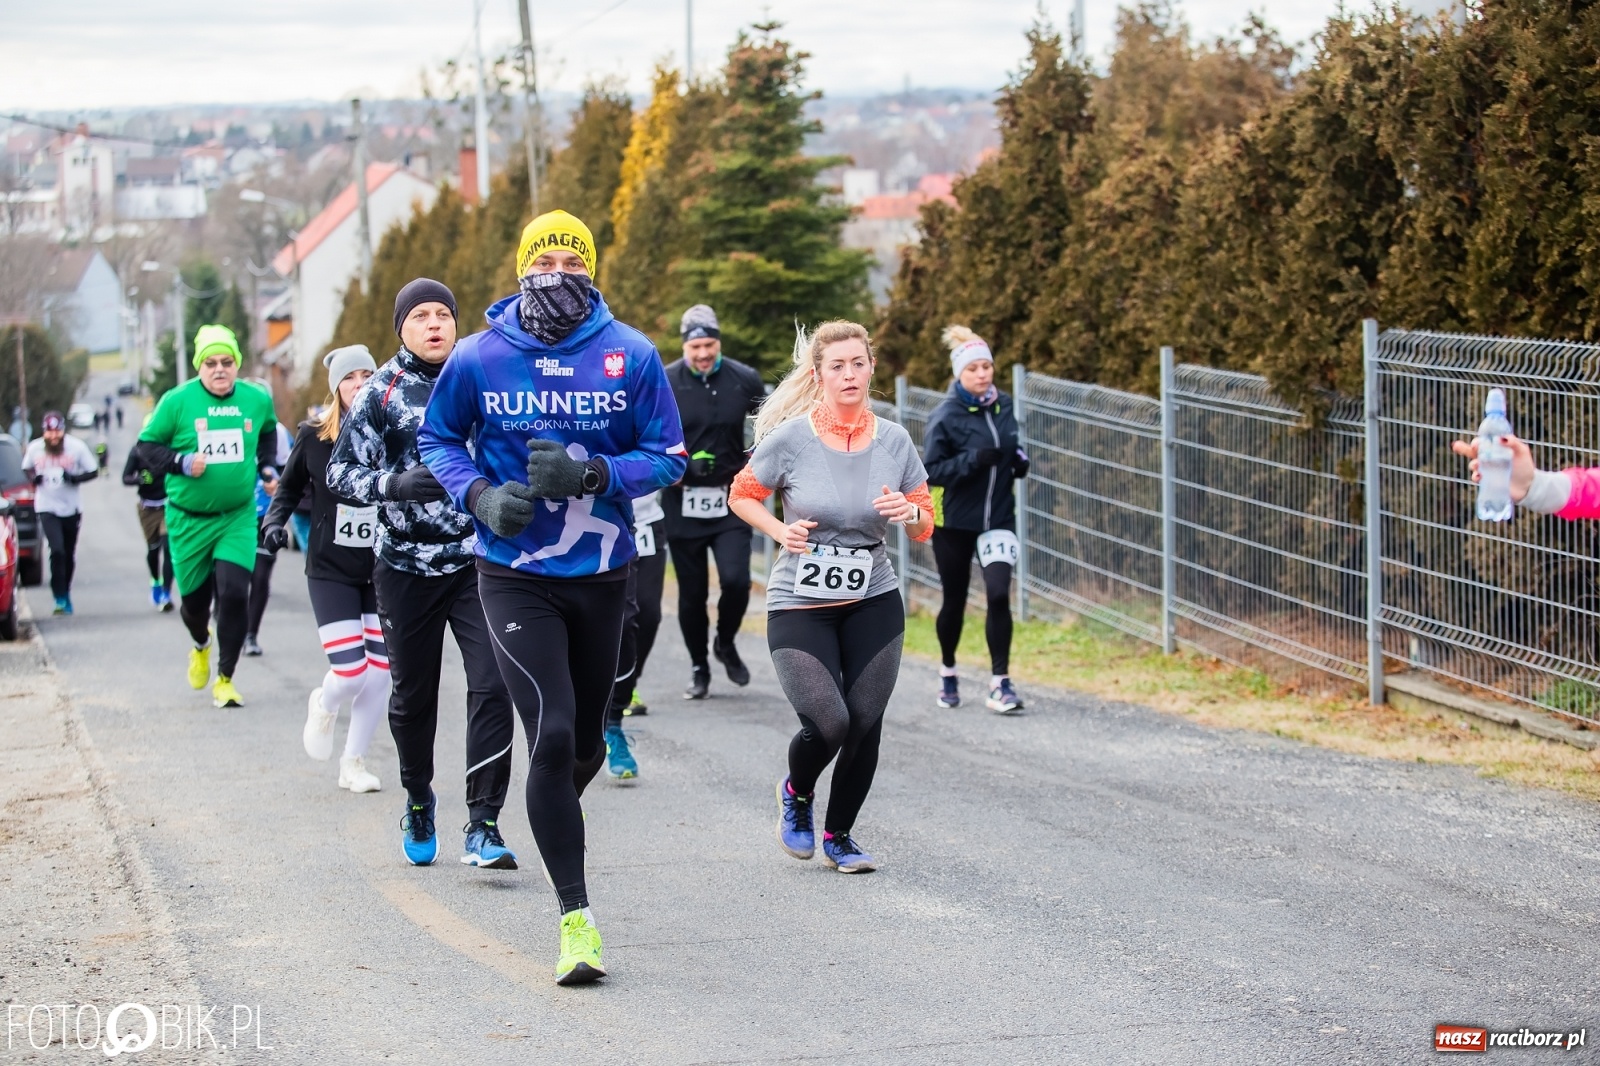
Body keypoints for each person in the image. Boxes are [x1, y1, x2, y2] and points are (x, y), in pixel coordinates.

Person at [418, 209, 686, 986]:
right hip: (511, 571)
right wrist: (476, 497)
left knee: (589, 745)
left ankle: (546, 811)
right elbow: (439, 438)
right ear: (522, 269)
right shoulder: (478, 357)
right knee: (555, 728)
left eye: (574, 260)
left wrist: (599, 476)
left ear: (591, 269)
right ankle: (577, 921)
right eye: (546, 260)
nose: (560, 272)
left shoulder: (629, 353)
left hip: (603, 571)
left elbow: (666, 456)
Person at [728, 321, 934, 875]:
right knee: (831, 721)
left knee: (866, 720)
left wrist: (911, 514)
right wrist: (780, 532)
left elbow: (925, 522)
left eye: (858, 364)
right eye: (837, 366)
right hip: (800, 598)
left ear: (871, 369)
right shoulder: (792, 438)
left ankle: (839, 837)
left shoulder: (894, 440)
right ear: (818, 376)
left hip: (873, 592)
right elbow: (742, 495)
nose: (849, 374)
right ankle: (796, 791)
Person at [327, 278, 518, 871]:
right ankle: (417, 797)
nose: (435, 324)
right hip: (405, 563)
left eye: (444, 314)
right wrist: (392, 485)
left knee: (493, 685)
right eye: (421, 317)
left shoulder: (483, 377)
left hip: (476, 560)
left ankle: (483, 823)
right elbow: (339, 475)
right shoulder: (380, 393)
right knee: (413, 698)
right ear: (401, 328)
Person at [263, 345, 388, 794]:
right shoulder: (315, 435)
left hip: (381, 568)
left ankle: (352, 762)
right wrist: (274, 523)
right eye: (350, 377)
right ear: (336, 386)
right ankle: (325, 700)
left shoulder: (394, 433)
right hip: (331, 570)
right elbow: (288, 487)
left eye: (367, 375)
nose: (360, 384)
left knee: (381, 672)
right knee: (352, 672)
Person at [136, 325, 278, 708]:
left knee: (234, 593)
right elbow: (146, 446)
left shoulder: (255, 399)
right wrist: (180, 462)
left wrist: (267, 469)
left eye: (227, 362)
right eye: (211, 363)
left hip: (237, 516)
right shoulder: (177, 401)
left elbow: (267, 434)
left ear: (237, 364)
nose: (219, 369)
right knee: (194, 606)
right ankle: (200, 643)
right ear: (200, 366)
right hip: (187, 519)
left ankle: (226, 678)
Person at [920, 326, 1031, 714]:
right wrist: (972, 461)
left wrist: (1019, 461)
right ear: (959, 375)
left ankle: (1000, 683)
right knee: (954, 600)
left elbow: (1012, 445)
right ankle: (948, 670)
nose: (983, 374)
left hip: (999, 517)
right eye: (974, 369)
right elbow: (930, 470)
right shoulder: (945, 416)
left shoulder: (1005, 405)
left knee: (999, 594)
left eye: (987, 366)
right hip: (954, 522)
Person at [662, 304, 766, 699]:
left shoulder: (744, 378)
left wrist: (753, 460)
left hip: (731, 499)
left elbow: (767, 427)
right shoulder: (666, 380)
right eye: (696, 347)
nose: (704, 354)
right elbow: (651, 431)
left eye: (710, 344)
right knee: (692, 594)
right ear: (684, 346)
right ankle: (699, 666)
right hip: (682, 498)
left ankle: (725, 642)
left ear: (718, 341)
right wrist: (678, 466)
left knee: (738, 580)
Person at [23, 411, 98, 615]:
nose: (54, 436)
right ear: (44, 432)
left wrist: (74, 478)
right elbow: (27, 469)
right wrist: (34, 479)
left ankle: (66, 591)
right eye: (50, 432)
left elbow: (93, 471)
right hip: (46, 507)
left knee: (68, 553)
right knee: (56, 550)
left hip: (71, 508)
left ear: (63, 430)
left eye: (57, 431)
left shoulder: (76, 447)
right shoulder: (35, 448)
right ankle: (58, 597)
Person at [243, 420, 294, 656]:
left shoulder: (278, 431)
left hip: (266, 513)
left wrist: (278, 484)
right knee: (232, 578)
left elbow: (289, 469)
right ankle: (223, 614)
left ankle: (251, 634)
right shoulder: (222, 422)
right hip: (233, 515)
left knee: (260, 576)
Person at [122, 431, 174, 611]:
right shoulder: (137, 451)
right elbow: (125, 478)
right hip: (147, 509)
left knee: (168, 548)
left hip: (168, 506)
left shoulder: (170, 450)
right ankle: (156, 582)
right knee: (153, 550)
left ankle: (167, 593)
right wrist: (140, 479)